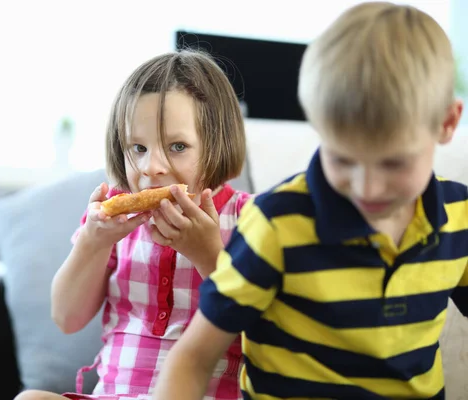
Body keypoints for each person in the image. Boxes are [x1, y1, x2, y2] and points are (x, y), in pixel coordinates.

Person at [153, 2, 468, 400]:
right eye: (343, 159)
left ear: (447, 123)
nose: (367, 188)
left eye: (393, 163)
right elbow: (194, 357)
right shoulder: (277, 223)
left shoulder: (460, 217)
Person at [14, 49, 251, 400]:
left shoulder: (251, 220)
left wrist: (208, 256)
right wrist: (92, 243)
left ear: (218, 143)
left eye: (177, 146)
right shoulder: (113, 221)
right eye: (137, 148)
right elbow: (67, 318)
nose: (150, 167)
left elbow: (264, 335)